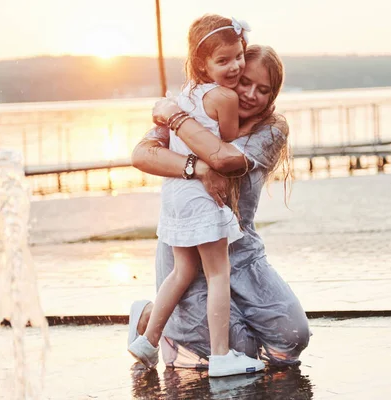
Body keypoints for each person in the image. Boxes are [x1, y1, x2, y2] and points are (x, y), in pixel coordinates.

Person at [128, 44, 311, 370]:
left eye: (263, 90)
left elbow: (225, 159)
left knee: (292, 335)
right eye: (245, 83)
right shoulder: (196, 105)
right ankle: (149, 316)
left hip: (240, 251)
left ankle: (207, 319)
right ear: (230, 76)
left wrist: (174, 116)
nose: (251, 94)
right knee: (236, 345)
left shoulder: (272, 129)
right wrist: (195, 167)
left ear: (272, 96)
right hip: (187, 253)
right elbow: (141, 154)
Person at [127, 14, 265, 378]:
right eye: (224, 60)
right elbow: (229, 142)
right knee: (219, 272)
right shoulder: (224, 98)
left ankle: (148, 340)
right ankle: (222, 356)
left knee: (182, 270)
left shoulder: (181, 97)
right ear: (202, 62)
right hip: (202, 195)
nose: (235, 66)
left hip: (175, 193)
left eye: (238, 56)